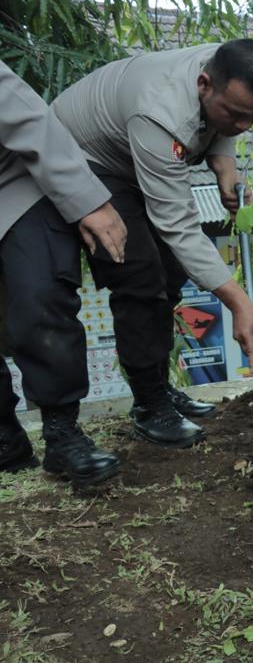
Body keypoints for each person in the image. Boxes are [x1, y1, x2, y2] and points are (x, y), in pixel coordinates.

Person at [52, 40, 253, 449]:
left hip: (135, 156)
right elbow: (179, 226)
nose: (244, 127)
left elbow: (222, 122)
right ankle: (149, 404)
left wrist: (225, 166)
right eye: (236, 115)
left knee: (172, 270)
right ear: (204, 84)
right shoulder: (160, 113)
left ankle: (157, 384)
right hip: (84, 159)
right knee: (139, 275)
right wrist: (239, 301)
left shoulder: (228, 65)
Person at [0, 59, 125, 486]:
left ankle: (62, 433)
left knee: (39, 291)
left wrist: (86, 200)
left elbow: (31, 121)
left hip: (12, 182)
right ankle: (5, 440)